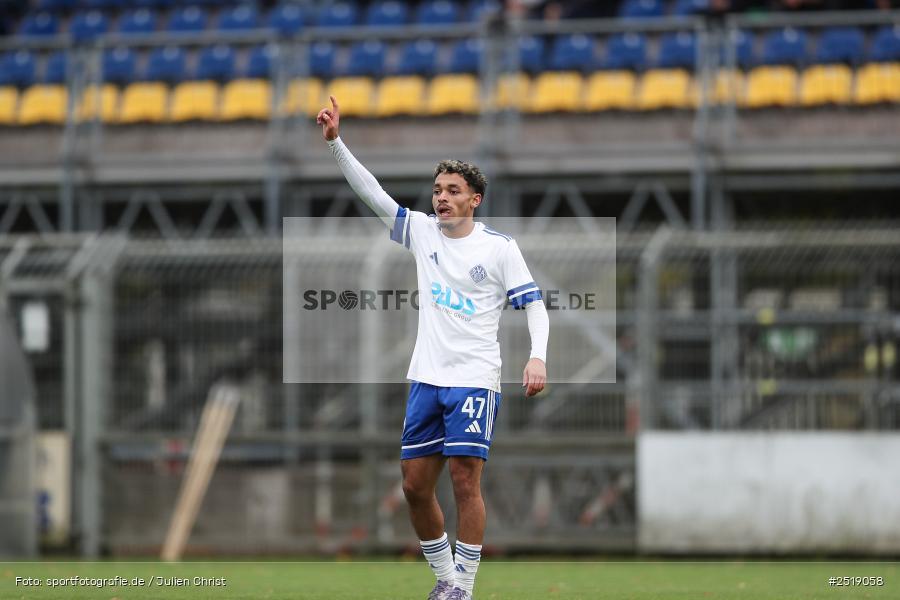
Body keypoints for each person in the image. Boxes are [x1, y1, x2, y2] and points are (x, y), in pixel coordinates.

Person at [317, 96, 549, 600]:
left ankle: (462, 586)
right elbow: (374, 195)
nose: (441, 198)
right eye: (437, 190)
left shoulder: (499, 248)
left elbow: (535, 305)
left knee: (466, 481)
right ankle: (445, 576)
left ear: (475, 199)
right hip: (426, 377)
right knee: (414, 485)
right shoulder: (422, 232)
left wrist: (537, 356)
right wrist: (337, 144)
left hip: (473, 377)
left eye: (452, 191)